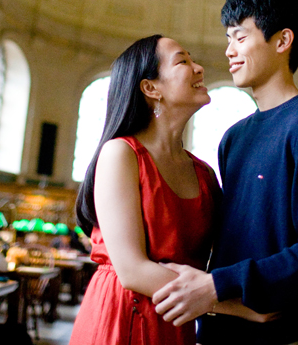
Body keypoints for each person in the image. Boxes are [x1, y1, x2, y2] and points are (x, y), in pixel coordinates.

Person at [152, 0, 298, 345]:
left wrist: (219, 284)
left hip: (281, 334)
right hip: (219, 327)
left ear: (282, 40)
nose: (229, 51)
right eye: (228, 39)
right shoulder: (233, 137)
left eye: (240, 37)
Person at [71, 35, 266, 345]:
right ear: (151, 88)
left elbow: (233, 253)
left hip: (177, 321)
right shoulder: (121, 153)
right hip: (121, 317)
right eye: (183, 61)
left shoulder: (204, 174)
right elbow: (132, 271)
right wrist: (244, 308)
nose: (200, 68)